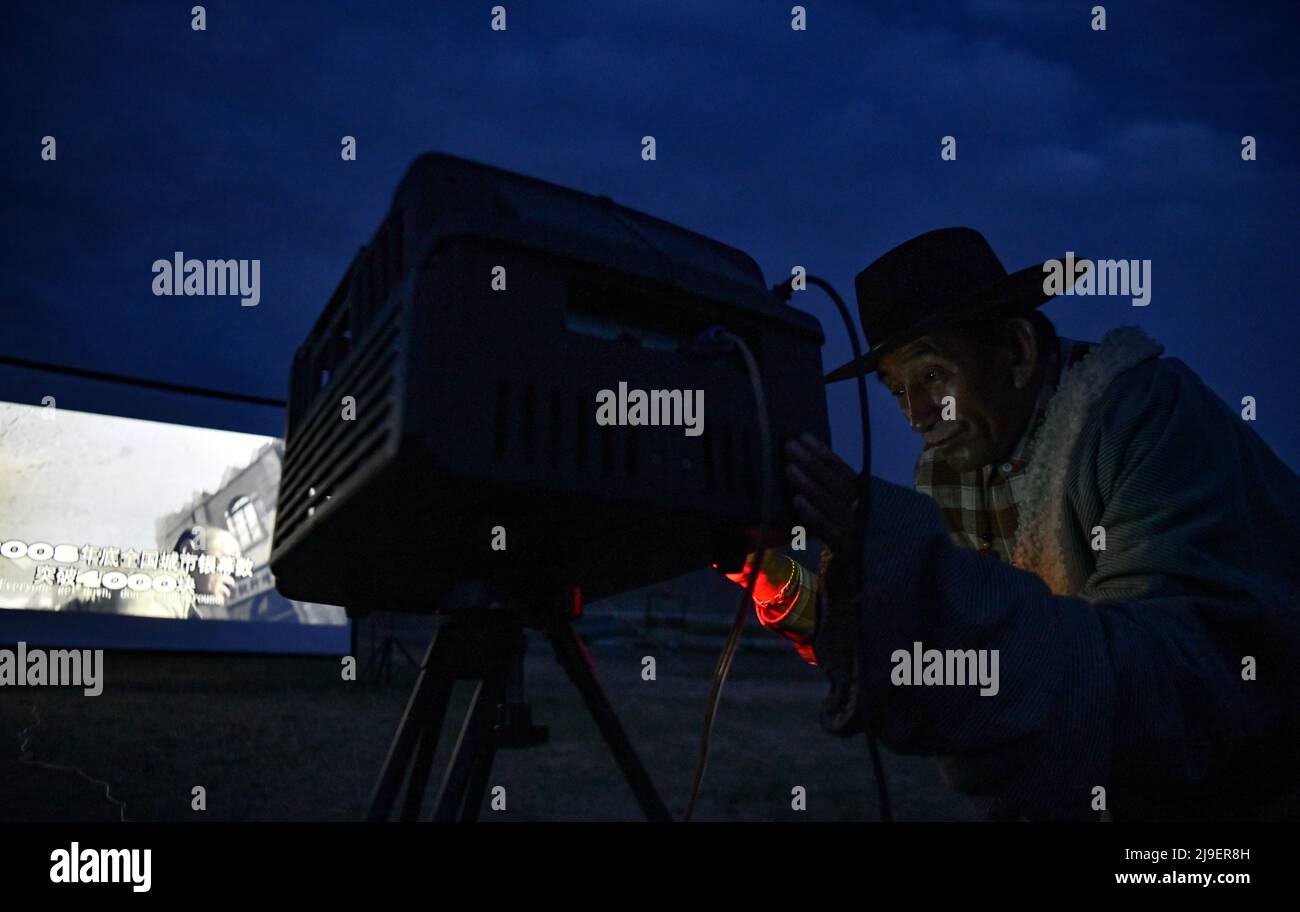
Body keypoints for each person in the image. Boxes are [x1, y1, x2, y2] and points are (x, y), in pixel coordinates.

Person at [730, 227, 1300, 821]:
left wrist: (900, 554)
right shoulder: (954, 472)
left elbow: (1168, 688)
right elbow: (953, 645)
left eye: (932, 376)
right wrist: (787, 586)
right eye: (898, 390)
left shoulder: (1145, 419)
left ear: (1017, 351)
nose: (916, 416)